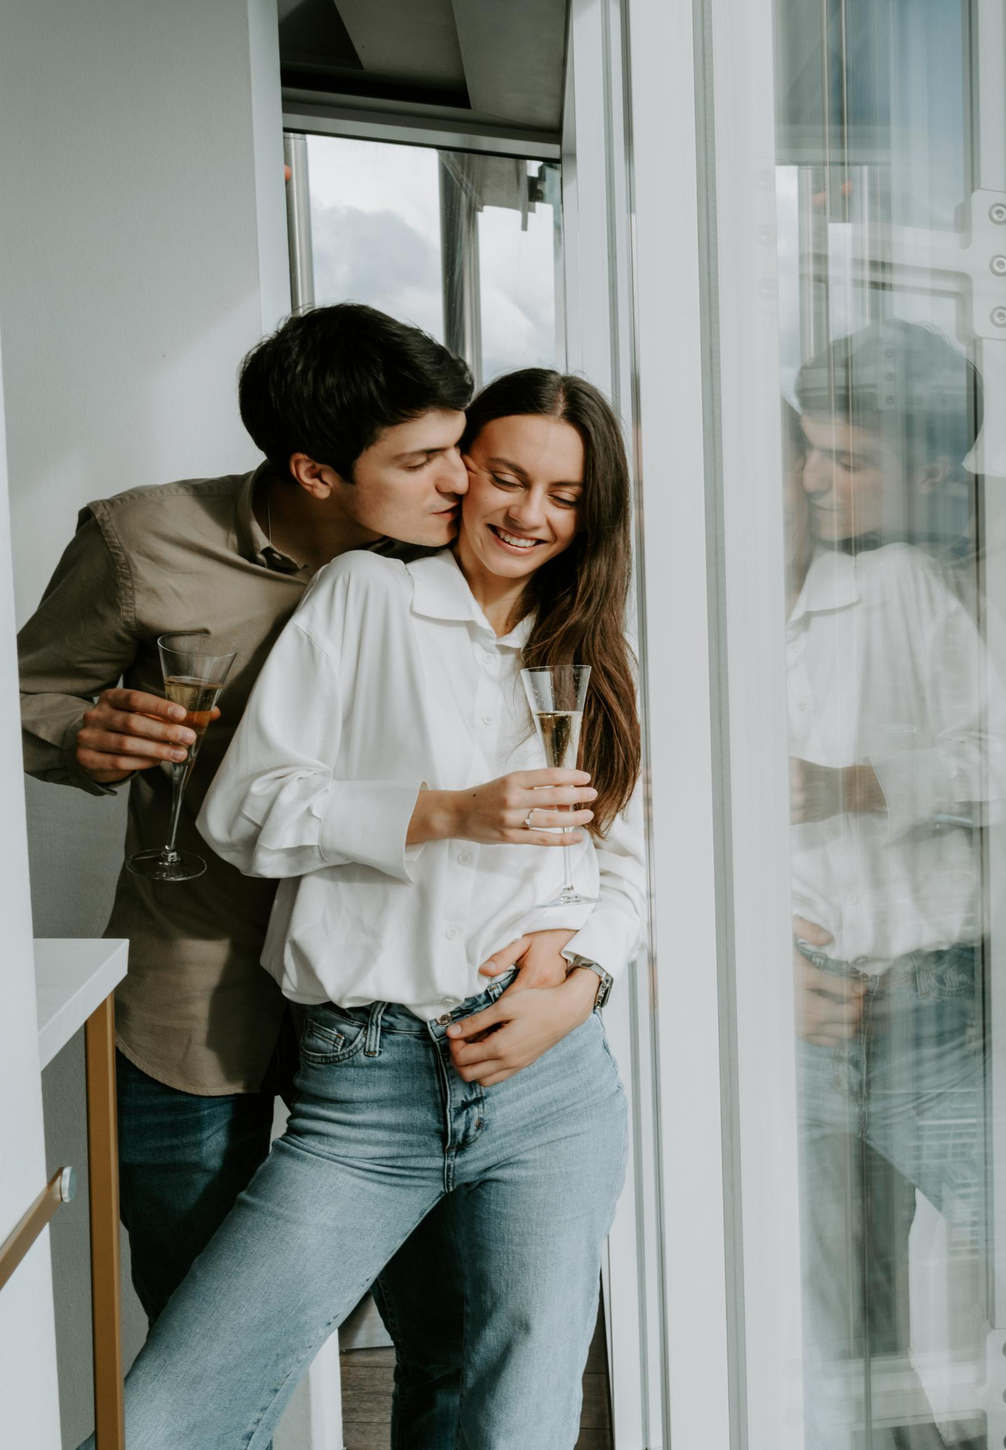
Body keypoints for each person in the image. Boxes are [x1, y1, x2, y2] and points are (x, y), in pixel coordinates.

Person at [106, 369, 646, 1449]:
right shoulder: (367, 595)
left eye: (565, 494)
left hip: (549, 1082)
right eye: (504, 477)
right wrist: (451, 811)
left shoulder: (586, 642)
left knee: (510, 1422)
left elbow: (626, 865)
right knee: (167, 1415)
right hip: (369, 1085)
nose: (529, 514)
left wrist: (581, 979)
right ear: (461, 472)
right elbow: (245, 811)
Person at [15, 305, 476, 1413]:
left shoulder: (462, 558)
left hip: (390, 1002)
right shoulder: (138, 538)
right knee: (202, 1348)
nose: (463, 480)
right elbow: (31, 695)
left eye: (458, 444)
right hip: (191, 997)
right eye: (423, 459)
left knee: (445, 1328)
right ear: (314, 470)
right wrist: (78, 737)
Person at [788, 321, 1006, 1439]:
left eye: (848, 460)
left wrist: (856, 782)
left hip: (934, 1012)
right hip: (801, 1014)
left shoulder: (916, 588)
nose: (814, 479)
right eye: (808, 452)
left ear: (928, 472)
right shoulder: (726, 607)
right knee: (836, 1334)